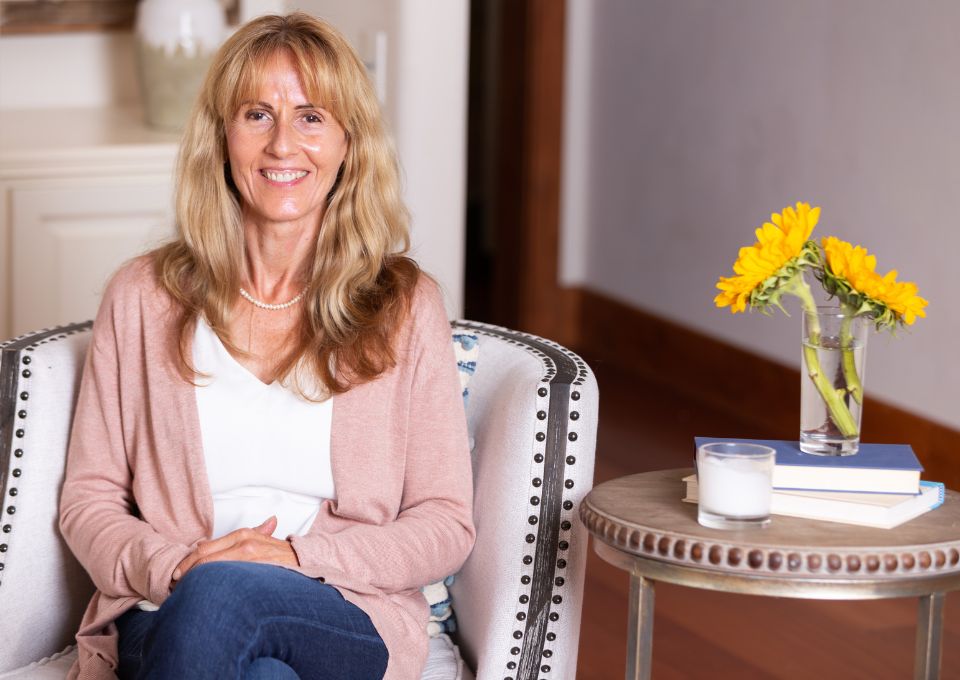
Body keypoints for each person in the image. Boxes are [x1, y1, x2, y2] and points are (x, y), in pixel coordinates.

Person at [58, 12, 475, 680]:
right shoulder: (142, 296)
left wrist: (297, 558)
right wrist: (180, 566)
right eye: (257, 115)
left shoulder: (404, 306)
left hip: (340, 607)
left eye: (311, 117)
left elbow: (446, 522)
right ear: (222, 137)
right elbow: (89, 499)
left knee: (229, 598)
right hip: (166, 605)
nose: (283, 144)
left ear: (348, 142)